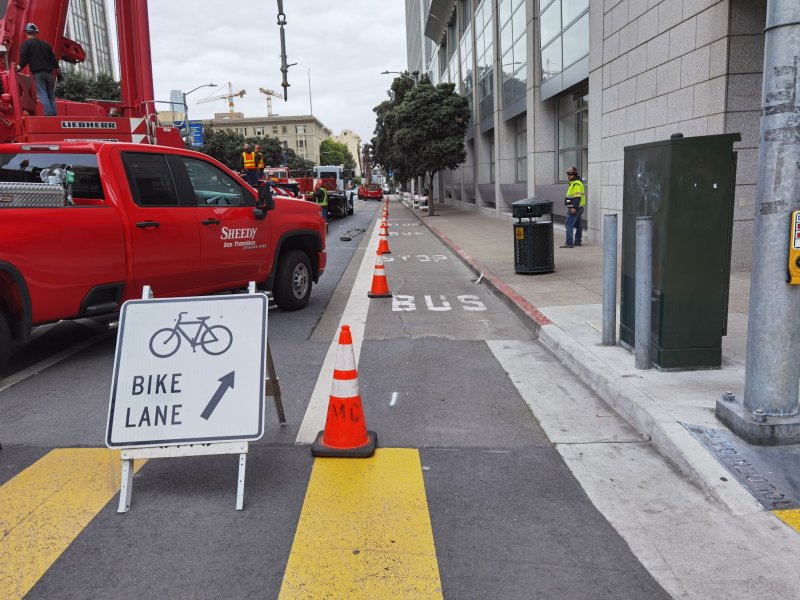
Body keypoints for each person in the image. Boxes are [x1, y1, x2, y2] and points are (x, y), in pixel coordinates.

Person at [16, 23, 61, 116]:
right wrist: (58, 71)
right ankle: (54, 113)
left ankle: (49, 113)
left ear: (26, 32)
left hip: (38, 73)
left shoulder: (26, 44)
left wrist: (16, 69)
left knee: (43, 93)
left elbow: (23, 62)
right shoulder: (46, 45)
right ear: (36, 33)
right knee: (51, 94)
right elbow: (53, 60)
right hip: (49, 73)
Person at [561, 166, 585, 248]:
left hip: (575, 208)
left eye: (571, 174)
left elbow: (577, 197)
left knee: (569, 225)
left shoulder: (576, 184)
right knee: (578, 225)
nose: (569, 176)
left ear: (575, 175)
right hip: (578, 207)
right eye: (568, 174)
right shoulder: (574, 183)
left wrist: (574, 207)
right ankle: (578, 241)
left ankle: (569, 243)